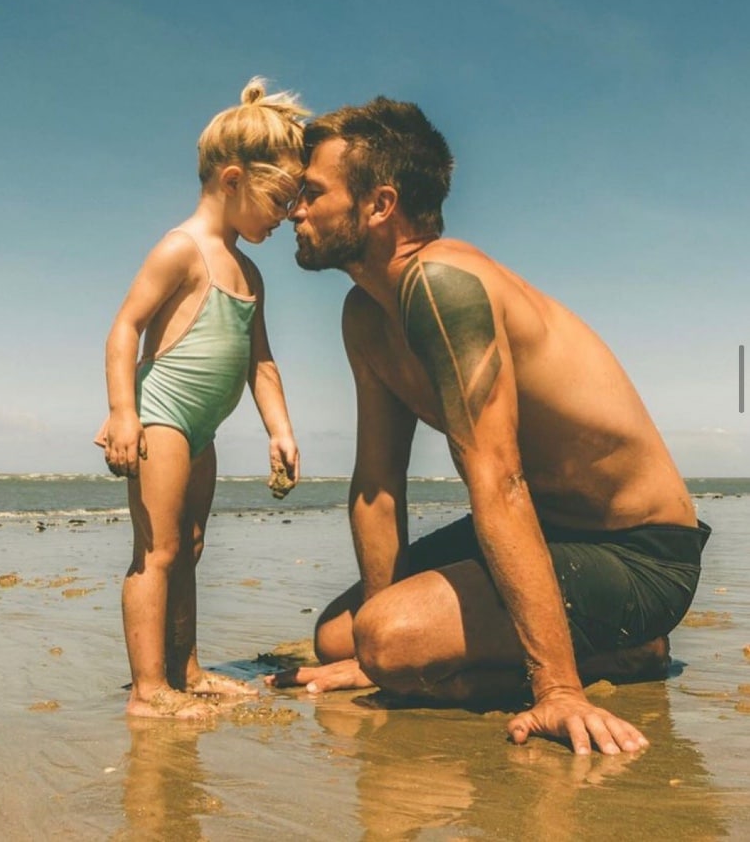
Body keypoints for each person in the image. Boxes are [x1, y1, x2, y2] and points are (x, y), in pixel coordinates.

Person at [267, 96, 710, 755]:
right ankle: (411, 647)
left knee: (389, 635)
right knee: (344, 634)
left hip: (637, 554)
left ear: (379, 204)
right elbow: (376, 482)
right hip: (548, 534)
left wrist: (555, 688)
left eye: (311, 192)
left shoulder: (445, 287)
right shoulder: (365, 314)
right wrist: (379, 653)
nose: (292, 210)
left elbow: (499, 480)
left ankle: (622, 652)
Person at [96, 77, 306, 719]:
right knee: (155, 550)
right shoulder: (181, 248)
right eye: (279, 199)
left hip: (203, 428)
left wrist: (281, 429)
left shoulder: (251, 273)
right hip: (161, 416)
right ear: (234, 178)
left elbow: (260, 362)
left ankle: (185, 669)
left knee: (189, 545)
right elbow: (124, 328)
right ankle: (147, 689)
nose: (286, 215)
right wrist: (122, 412)